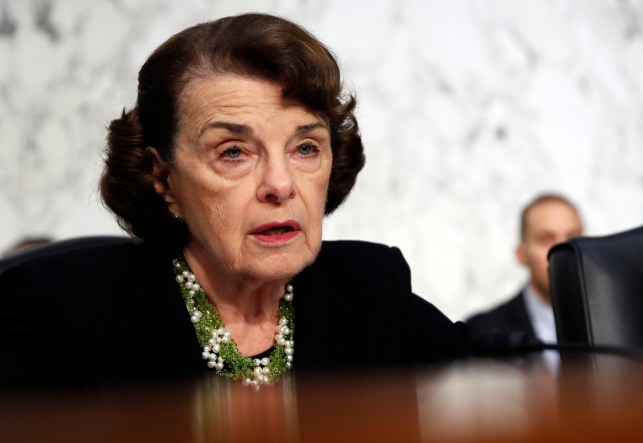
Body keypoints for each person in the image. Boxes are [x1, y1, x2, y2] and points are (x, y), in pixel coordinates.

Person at [0, 13, 467, 393]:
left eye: (305, 148)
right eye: (234, 153)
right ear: (164, 178)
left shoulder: (370, 291)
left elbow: (508, 389)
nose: (280, 185)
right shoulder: (57, 310)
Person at [465, 194, 583, 367]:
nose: (562, 251)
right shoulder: (483, 331)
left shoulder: (617, 320)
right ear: (521, 254)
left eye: (573, 237)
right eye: (546, 239)